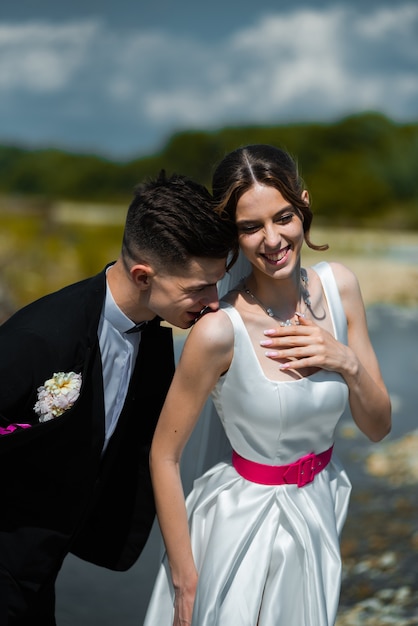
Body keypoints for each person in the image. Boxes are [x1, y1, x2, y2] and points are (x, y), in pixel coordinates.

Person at [144, 145, 392, 626]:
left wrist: (345, 362)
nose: (272, 239)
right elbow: (164, 454)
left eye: (283, 217)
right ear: (232, 234)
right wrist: (184, 575)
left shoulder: (340, 288)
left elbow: (379, 427)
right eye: (251, 227)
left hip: (321, 507)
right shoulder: (220, 331)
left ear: (303, 205)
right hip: (243, 528)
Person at [0, 170, 237, 625]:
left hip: (43, 566)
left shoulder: (153, 335)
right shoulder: (40, 340)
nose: (214, 302)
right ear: (143, 275)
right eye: (198, 288)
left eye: (217, 282)